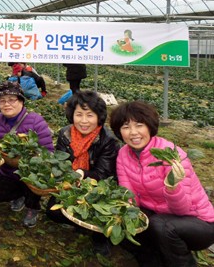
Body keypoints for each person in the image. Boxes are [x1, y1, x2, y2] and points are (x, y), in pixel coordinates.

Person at [110, 101, 214, 267]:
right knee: (126, 221)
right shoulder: (123, 154)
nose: (133, 132)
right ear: (119, 131)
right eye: (126, 127)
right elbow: (128, 194)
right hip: (159, 217)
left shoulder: (170, 155)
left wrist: (172, 187)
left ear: (150, 126)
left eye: (139, 125)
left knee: (160, 225)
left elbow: (182, 209)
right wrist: (123, 212)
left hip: (198, 223)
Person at [45, 91, 120, 257]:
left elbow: (104, 175)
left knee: (99, 213)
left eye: (90, 115)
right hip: (73, 184)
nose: (84, 121)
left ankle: (100, 237)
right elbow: (60, 163)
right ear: (72, 115)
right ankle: (81, 224)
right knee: (52, 212)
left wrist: (82, 174)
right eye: (79, 114)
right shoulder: (65, 134)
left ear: (99, 117)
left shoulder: (108, 140)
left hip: (100, 188)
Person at [0, 81, 54, 228]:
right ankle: (19, 196)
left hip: (31, 172)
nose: (7, 104)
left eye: (12, 99)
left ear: (21, 101)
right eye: (2, 101)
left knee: (34, 184)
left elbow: (48, 151)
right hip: (7, 171)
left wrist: (33, 160)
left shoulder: (35, 120)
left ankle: (32, 207)